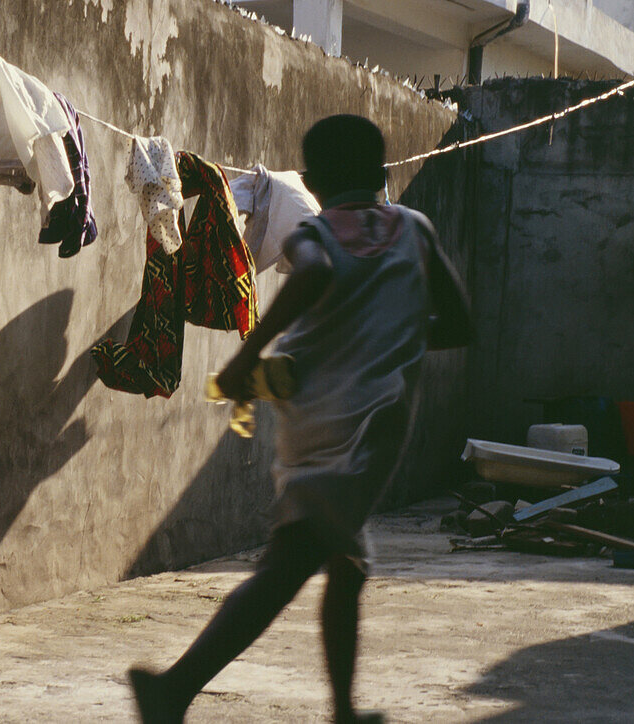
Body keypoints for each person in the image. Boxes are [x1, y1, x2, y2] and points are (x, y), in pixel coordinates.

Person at [128, 114, 473, 723]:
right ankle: (175, 689)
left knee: (344, 565)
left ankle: (337, 709)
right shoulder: (414, 230)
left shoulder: (316, 233)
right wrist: (395, 330)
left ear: (313, 179)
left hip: (316, 422)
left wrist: (248, 357)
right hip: (372, 432)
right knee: (293, 565)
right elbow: (460, 323)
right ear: (381, 173)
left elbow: (313, 272)